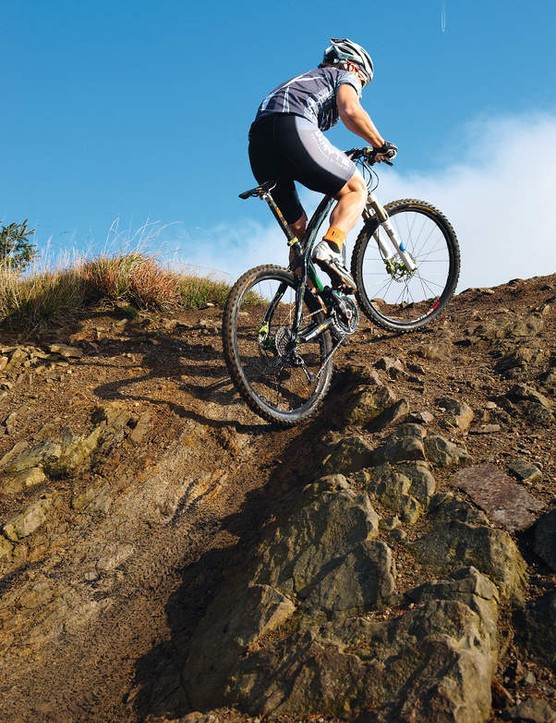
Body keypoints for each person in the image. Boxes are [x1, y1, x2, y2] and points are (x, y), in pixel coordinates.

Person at [247, 37, 397, 291]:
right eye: (362, 82)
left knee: (300, 235)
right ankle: (331, 247)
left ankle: (312, 306)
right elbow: (351, 111)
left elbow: (308, 141)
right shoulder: (342, 76)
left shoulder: (305, 81)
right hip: (291, 128)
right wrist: (381, 145)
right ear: (352, 66)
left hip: (259, 144)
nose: (360, 88)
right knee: (355, 189)